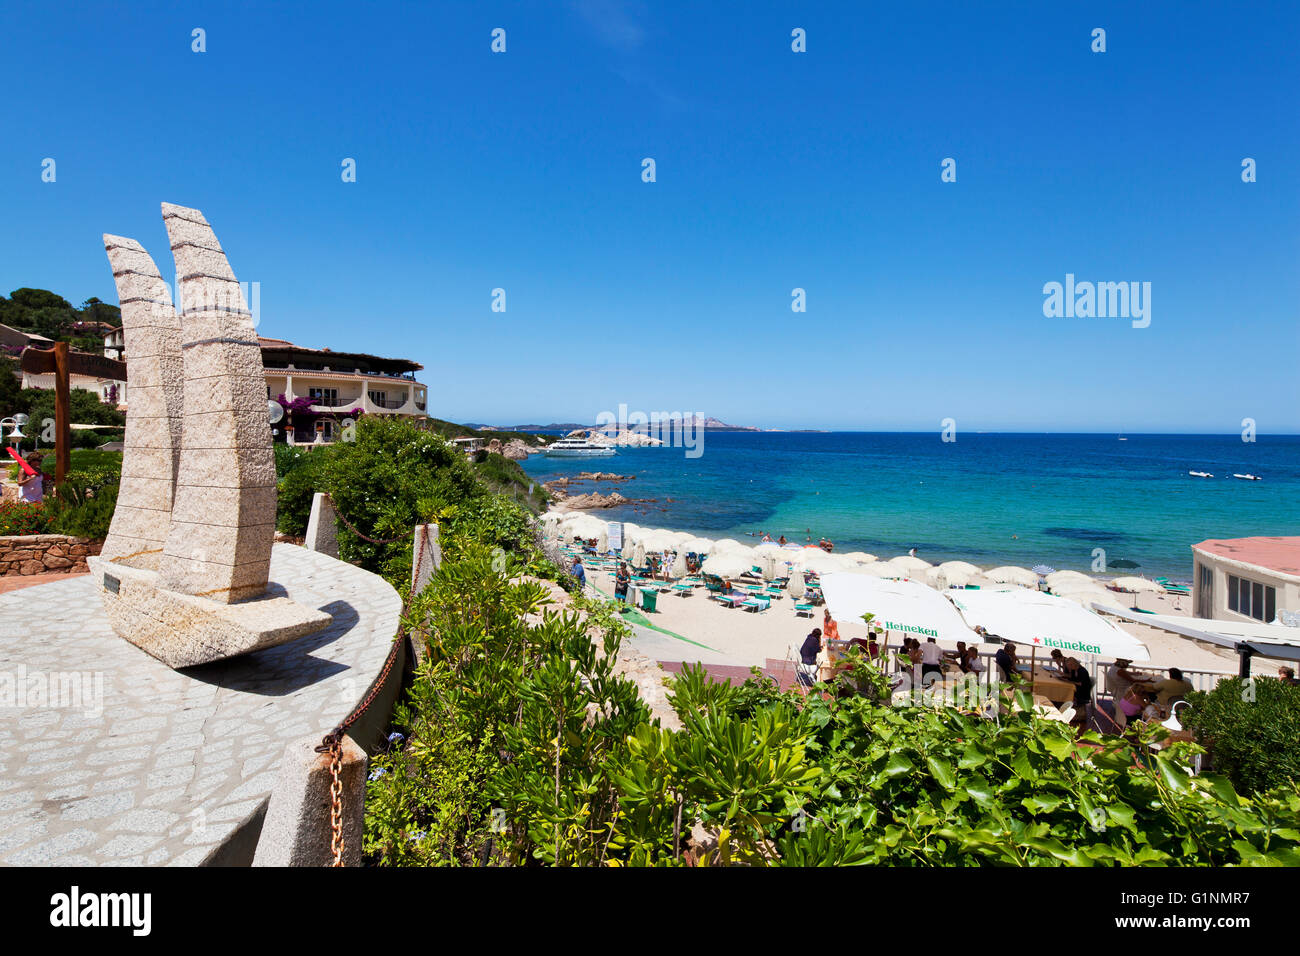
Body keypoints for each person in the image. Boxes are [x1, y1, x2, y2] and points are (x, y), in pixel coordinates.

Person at [1061, 657, 1093, 729]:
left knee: (1066, 691)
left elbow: (1081, 683)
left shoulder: (1082, 671)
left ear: (1074, 664)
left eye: (1070, 665)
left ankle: (1071, 711)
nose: (1069, 667)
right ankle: (1066, 707)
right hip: (1077, 688)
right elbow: (1072, 678)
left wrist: (1070, 682)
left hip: (1083, 691)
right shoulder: (1074, 670)